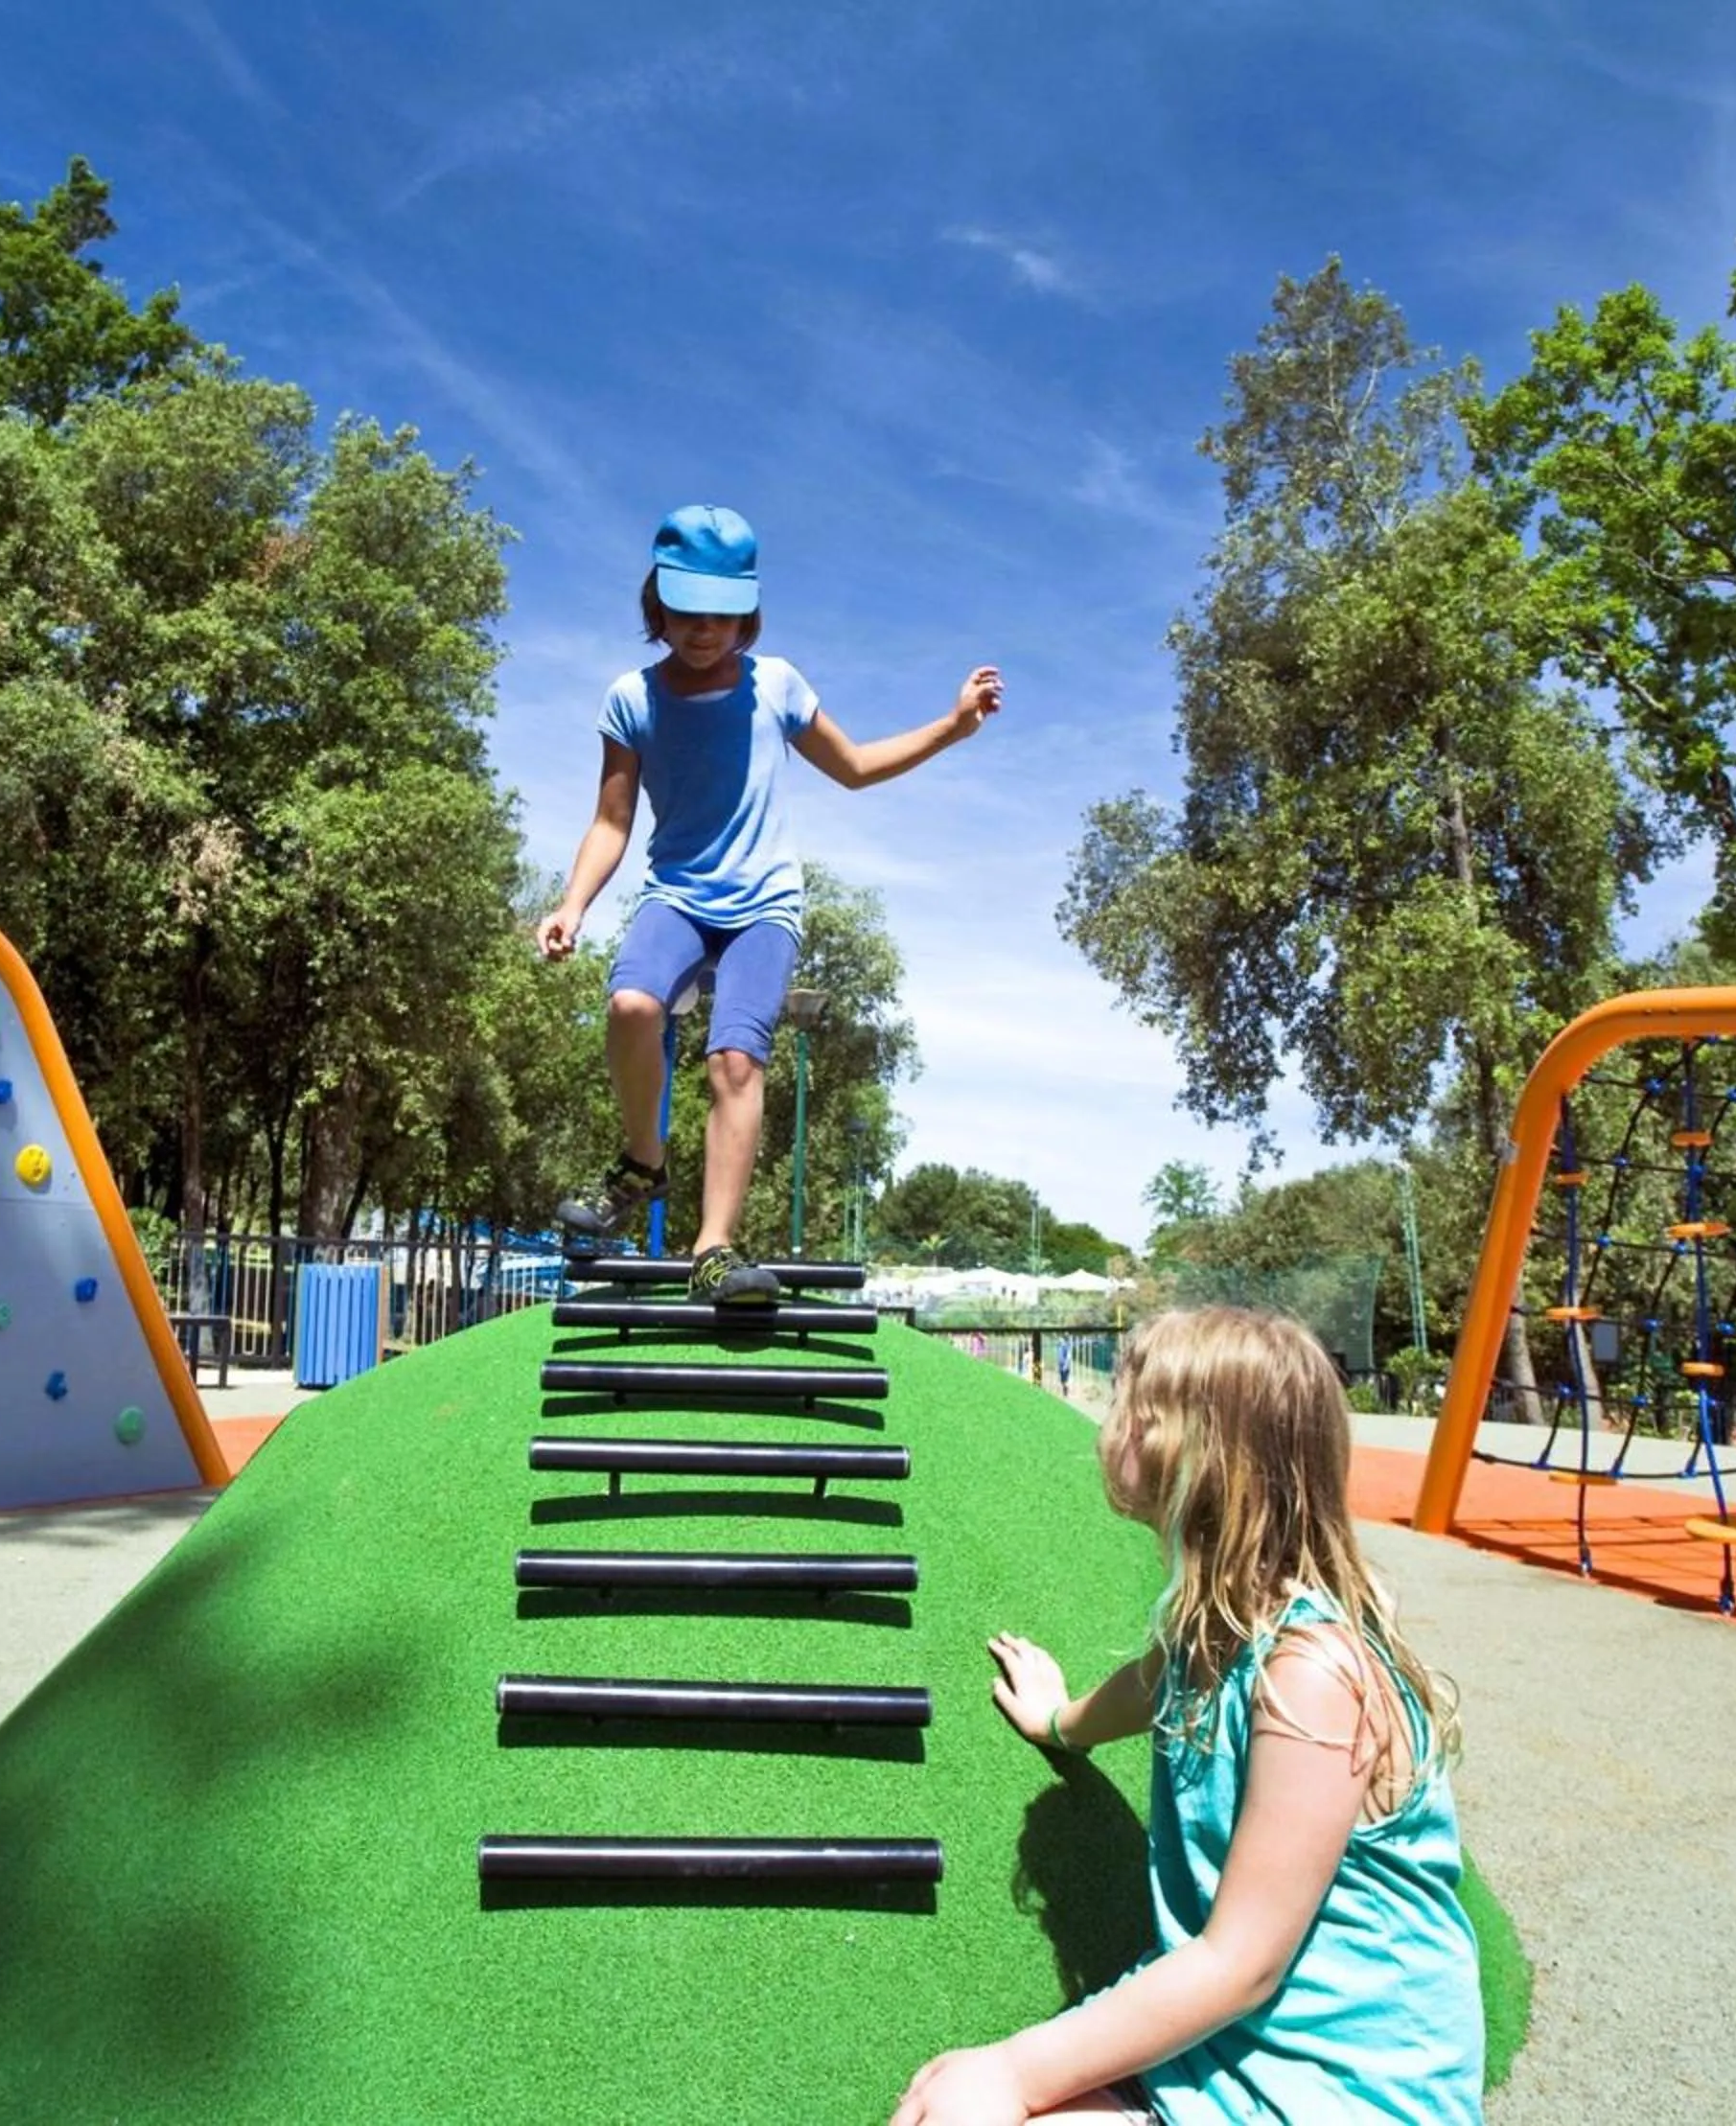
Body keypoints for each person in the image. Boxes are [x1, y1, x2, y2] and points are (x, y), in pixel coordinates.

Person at [893, 1307, 1483, 2125]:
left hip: (1340, 2087)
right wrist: (1059, 1721)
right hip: (1230, 2046)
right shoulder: (1216, 1629)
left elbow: (1239, 1963)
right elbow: (1154, 1684)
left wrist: (1013, 2073)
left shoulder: (1310, 1675)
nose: (1114, 1421)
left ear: (1192, 1452)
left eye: (1134, 1402)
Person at [538, 504, 1000, 1305]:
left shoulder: (775, 685)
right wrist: (573, 903)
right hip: (677, 893)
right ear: (660, 604)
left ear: (745, 608)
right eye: (686, 608)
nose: (703, 627)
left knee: (736, 1058)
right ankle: (644, 1163)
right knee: (631, 1004)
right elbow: (613, 820)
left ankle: (712, 1248)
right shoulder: (631, 700)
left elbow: (854, 766)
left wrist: (953, 728)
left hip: (763, 904)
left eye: (720, 611)